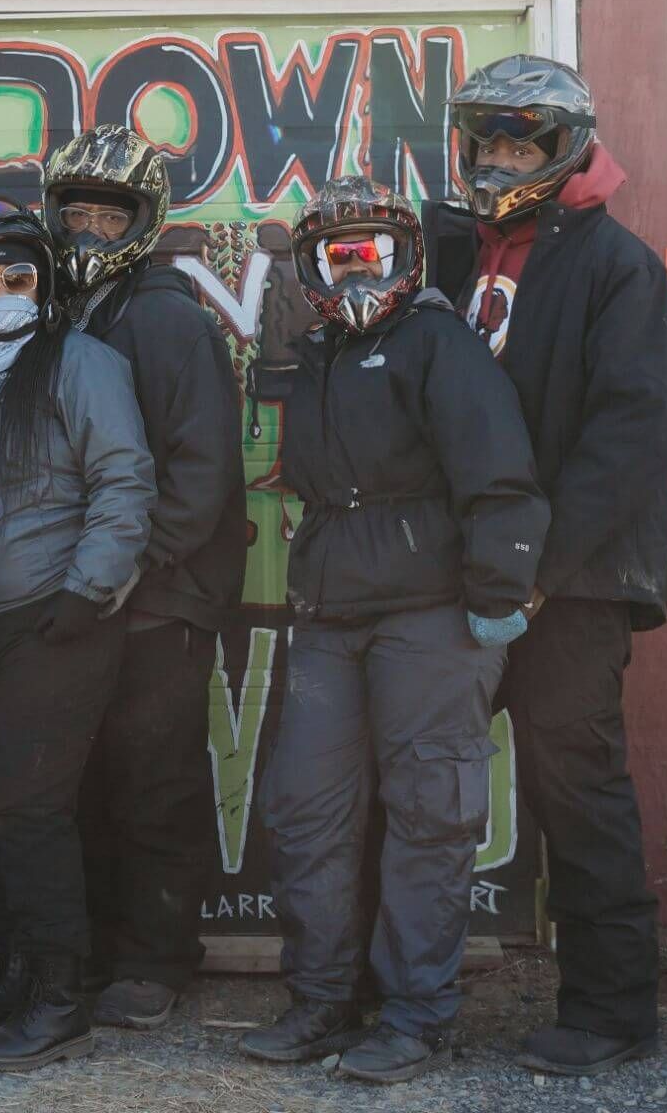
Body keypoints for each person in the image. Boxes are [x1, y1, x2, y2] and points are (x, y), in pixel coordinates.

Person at [235, 177, 548, 1083]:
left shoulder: (438, 342)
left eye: (373, 251)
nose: (356, 267)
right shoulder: (322, 351)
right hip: (332, 615)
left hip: (430, 615)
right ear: (315, 268)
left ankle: (415, 1014)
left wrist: (497, 594)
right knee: (308, 810)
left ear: (405, 258)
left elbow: (499, 473)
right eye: (340, 254)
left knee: (428, 812)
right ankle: (324, 999)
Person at [430, 54, 667, 1077]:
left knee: (575, 790)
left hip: (569, 583)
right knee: (414, 783)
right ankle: (391, 990)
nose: (501, 158)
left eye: (522, 142)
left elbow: (632, 433)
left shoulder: (617, 267)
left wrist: (539, 565)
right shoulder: (456, 252)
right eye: (488, 140)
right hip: (458, 571)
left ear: (565, 147)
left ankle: (613, 1008)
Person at [0, 196, 155, 1072]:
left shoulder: (80, 363)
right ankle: (14, 970)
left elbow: (124, 480)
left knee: (34, 810)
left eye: (18, 276)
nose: (1, 292)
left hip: (53, 619)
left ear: (45, 282)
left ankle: (58, 998)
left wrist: (88, 594)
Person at [41, 126, 247, 1029]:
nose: (88, 230)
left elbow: (201, 474)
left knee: (154, 780)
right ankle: (93, 946)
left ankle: (158, 958)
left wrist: (135, 565)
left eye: (107, 213)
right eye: (74, 212)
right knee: (83, 776)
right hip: (89, 597)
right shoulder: (64, 314)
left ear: (143, 219)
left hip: (161, 598)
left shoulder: (167, 319)